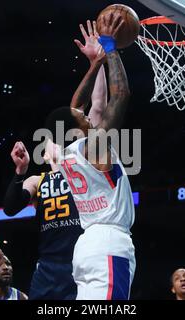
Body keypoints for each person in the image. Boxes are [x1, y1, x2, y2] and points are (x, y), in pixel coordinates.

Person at [3, 20, 108, 300]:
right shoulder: (39, 181)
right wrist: (20, 171)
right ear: (46, 152)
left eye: (59, 138)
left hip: (84, 261)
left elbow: (97, 108)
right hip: (49, 269)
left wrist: (97, 63)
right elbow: (10, 208)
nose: (54, 142)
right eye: (50, 140)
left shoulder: (83, 165)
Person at [43, 12, 135, 300]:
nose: (84, 113)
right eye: (80, 116)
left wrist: (95, 64)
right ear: (74, 129)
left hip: (87, 248)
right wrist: (110, 48)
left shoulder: (68, 151)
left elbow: (82, 104)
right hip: (108, 243)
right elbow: (121, 96)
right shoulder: (94, 147)